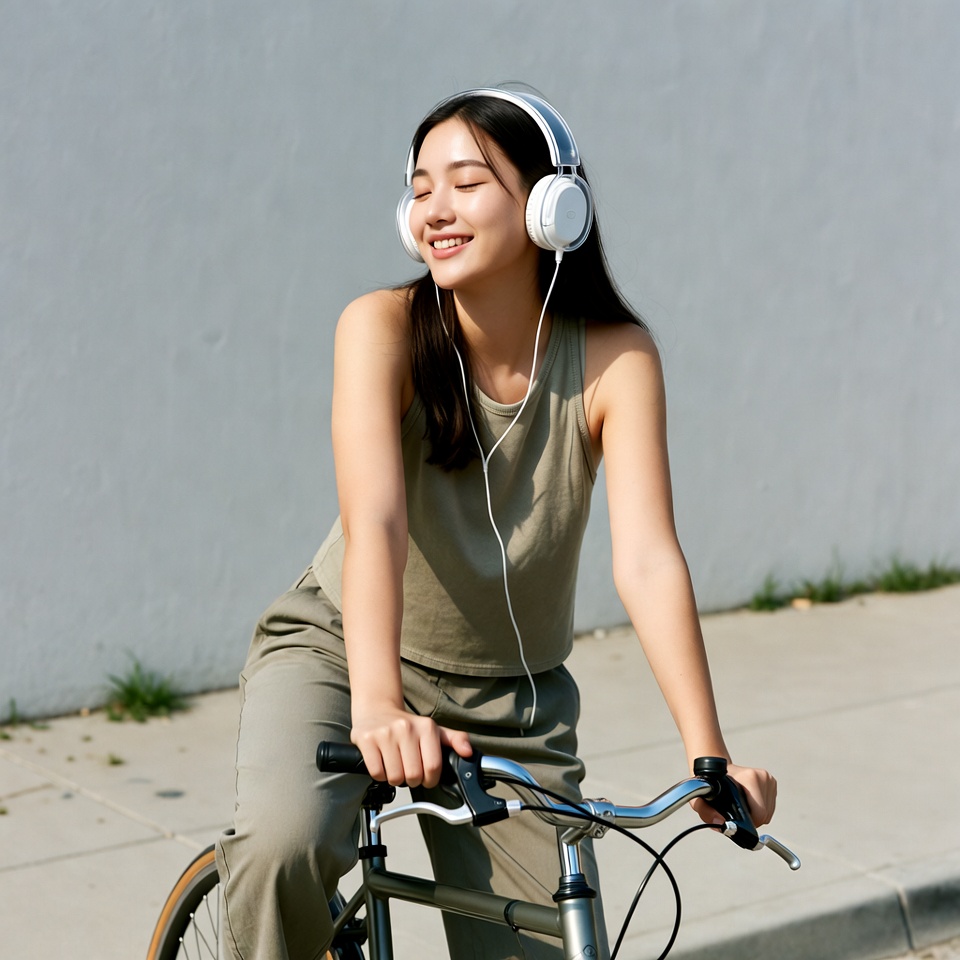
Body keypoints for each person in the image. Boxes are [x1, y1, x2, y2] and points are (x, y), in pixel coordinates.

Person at [215, 87, 777, 960]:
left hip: (512, 703)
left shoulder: (614, 359)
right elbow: (376, 522)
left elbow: (649, 560)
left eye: (467, 182)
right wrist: (376, 705)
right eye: (421, 186)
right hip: (341, 655)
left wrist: (712, 761)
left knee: (552, 934)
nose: (434, 208)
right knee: (287, 842)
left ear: (555, 207)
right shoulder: (382, 329)